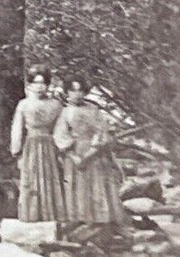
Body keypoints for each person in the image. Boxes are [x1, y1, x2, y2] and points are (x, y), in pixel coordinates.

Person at [53, 79, 127, 228]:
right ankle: (79, 219)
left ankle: (103, 220)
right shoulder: (65, 112)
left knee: (99, 183)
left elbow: (102, 131)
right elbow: (60, 136)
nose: (77, 94)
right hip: (75, 152)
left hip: (96, 152)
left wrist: (93, 150)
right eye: (73, 90)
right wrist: (74, 156)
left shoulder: (94, 110)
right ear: (67, 93)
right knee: (77, 184)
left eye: (80, 90)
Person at [10, 68, 66, 222]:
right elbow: (17, 128)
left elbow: (61, 128)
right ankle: (32, 216)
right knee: (32, 179)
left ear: (48, 85)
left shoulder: (56, 105)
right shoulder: (24, 104)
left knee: (51, 178)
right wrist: (17, 151)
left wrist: (62, 148)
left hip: (51, 145)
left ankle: (52, 215)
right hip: (31, 145)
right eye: (36, 83)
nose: (40, 86)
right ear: (30, 85)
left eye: (43, 83)